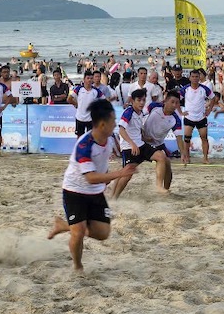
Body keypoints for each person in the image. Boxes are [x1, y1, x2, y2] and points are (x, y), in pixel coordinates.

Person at [46, 99, 137, 271]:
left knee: (103, 233)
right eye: (113, 120)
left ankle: (63, 225)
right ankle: (78, 267)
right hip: (74, 190)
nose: (115, 124)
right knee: (78, 232)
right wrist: (120, 173)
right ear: (102, 124)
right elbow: (90, 177)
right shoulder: (84, 144)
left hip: (95, 191)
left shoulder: (109, 139)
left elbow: (101, 164)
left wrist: (108, 176)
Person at [140, 91, 185, 193]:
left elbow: (179, 138)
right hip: (142, 142)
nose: (174, 105)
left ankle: (165, 190)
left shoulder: (175, 119)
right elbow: (139, 115)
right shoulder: (154, 106)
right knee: (129, 168)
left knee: (167, 163)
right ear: (165, 101)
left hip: (158, 144)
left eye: (177, 103)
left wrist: (183, 153)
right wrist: (142, 135)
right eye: (172, 102)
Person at [180, 69, 216, 165]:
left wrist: (209, 110)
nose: (195, 78)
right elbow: (176, 99)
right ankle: (187, 158)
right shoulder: (185, 89)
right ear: (190, 78)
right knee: (187, 138)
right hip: (189, 117)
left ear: (199, 77)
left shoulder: (204, 89)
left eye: (197, 77)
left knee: (204, 138)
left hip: (201, 117)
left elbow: (213, 98)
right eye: (193, 77)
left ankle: (205, 158)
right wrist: (180, 112)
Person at [68, 71, 104, 136]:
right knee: (79, 137)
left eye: (91, 78)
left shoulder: (96, 91)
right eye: (88, 78)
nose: (89, 80)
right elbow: (69, 99)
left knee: (91, 137)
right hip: (80, 118)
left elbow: (104, 101)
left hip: (91, 119)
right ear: (84, 79)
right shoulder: (79, 89)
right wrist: (76, 104)